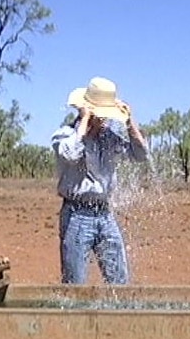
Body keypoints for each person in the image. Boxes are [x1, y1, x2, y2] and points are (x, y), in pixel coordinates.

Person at [51, 77, 149, 284]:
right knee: (75, 283)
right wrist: (85, 121)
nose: (105, 119)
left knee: (119, 282)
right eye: (101, 114)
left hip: (105, 214)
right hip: (77, 215)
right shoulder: (65, 135)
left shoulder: (110, 138)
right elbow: (69, 155)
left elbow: (140, 155)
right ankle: (74, 316)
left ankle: (118, 316)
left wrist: (130, 122)